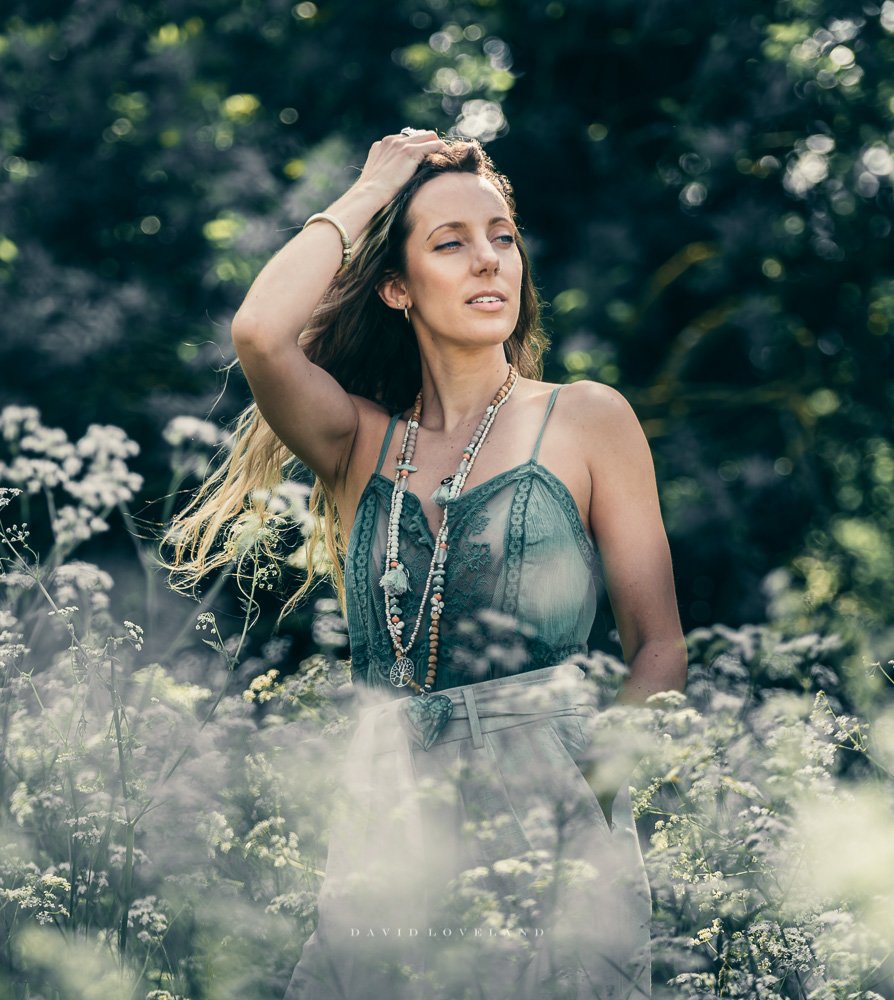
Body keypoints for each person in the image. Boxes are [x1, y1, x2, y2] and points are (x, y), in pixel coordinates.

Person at [168, 129, 687, 999]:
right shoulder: (360, 442)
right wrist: (372, 188)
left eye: (502, 237)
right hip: (386, 807)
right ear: (398, 288)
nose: (489, 261)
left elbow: (660, 647)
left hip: (552, 801)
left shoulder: (589, 418)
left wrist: (592, 798)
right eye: (451, 244)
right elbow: (260, 332)